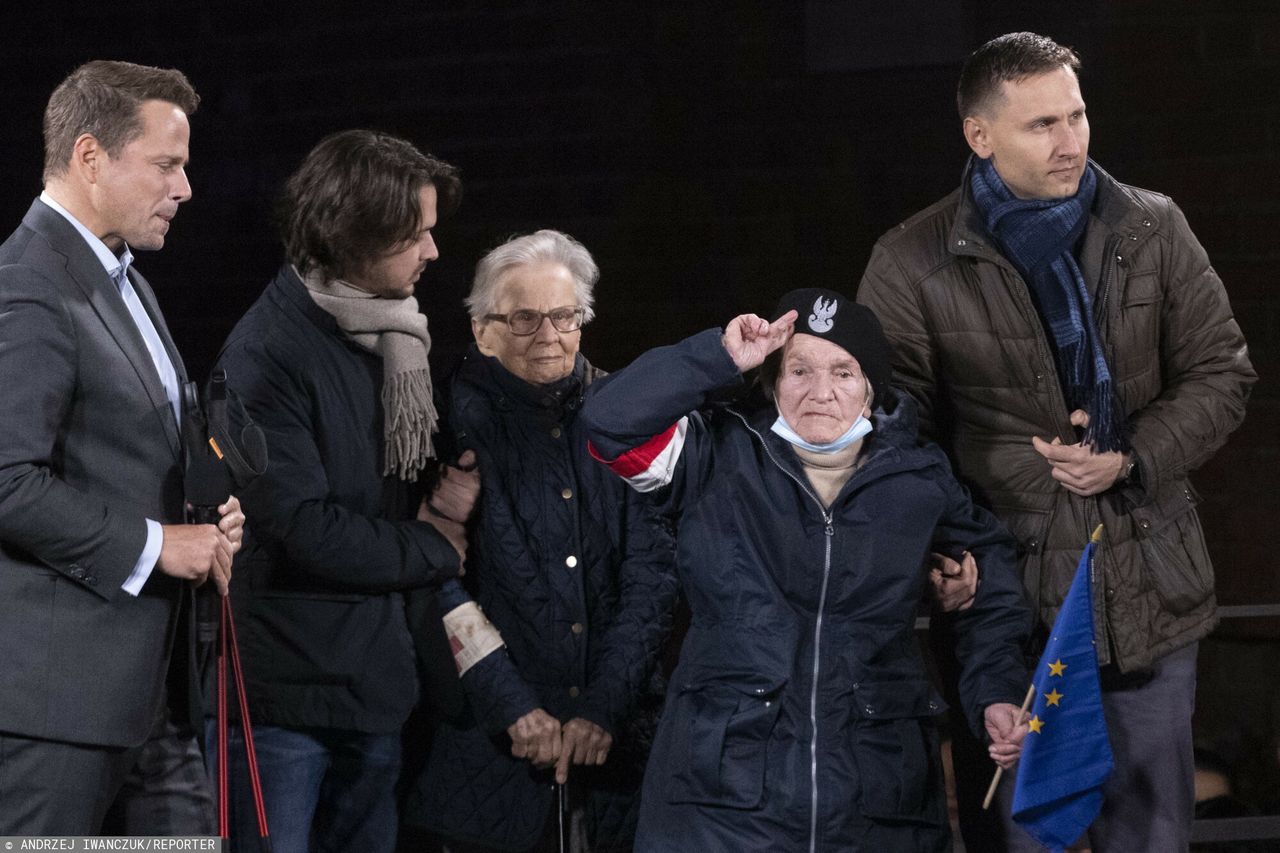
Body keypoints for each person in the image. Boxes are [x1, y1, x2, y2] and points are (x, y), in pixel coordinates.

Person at [857, 32, 1258, 852]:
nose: (1071, 140)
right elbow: (895, 432)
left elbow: (1225, 372)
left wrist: (1131, 454)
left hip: (1148, 585)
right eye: (1042, 124)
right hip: (1006, 604)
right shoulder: (911, 260)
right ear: (981, 136)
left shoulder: (1152, 224)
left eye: (1077, 115)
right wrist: (939, 545)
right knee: (1019, 837)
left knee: (1151, 835)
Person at [580, 288, 1032, 852]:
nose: (820, 393)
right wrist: (719, 357)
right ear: (770, 382)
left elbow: (990, 584)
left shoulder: (919, 479)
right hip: (719, 794)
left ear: (871, 391)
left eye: (843, 372)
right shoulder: (711, 452)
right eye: (798, 370)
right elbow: (607, 420)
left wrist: (995, 690)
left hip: (877, 795)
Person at [211, 130, 476, 853]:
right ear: (351, 234)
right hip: (285, 703)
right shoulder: (266, 354)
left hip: (375, 688)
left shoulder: (397, 336)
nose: (432, 252)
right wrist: (431, 543)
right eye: (414, 235)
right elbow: (301, 525)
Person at [0, 60, 244, 835]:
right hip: (57, 707)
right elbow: (7, 480)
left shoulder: (125, 276)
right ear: (89, 157)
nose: (185, 189)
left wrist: (207, 519)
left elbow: (131, 452)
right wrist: (157, 544)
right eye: (166, 165)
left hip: (154, 695)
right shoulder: (26, 281)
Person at [402, 230, 679, 853]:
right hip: (484, 746)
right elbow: (432, 575)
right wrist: (509, 704)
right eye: (524, 318)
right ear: (483, 330)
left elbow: (653, 576)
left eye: (564, 315)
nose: (548, 335)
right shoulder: (440, 424)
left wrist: (604, 708)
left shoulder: (628, 415)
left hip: (619, 749)